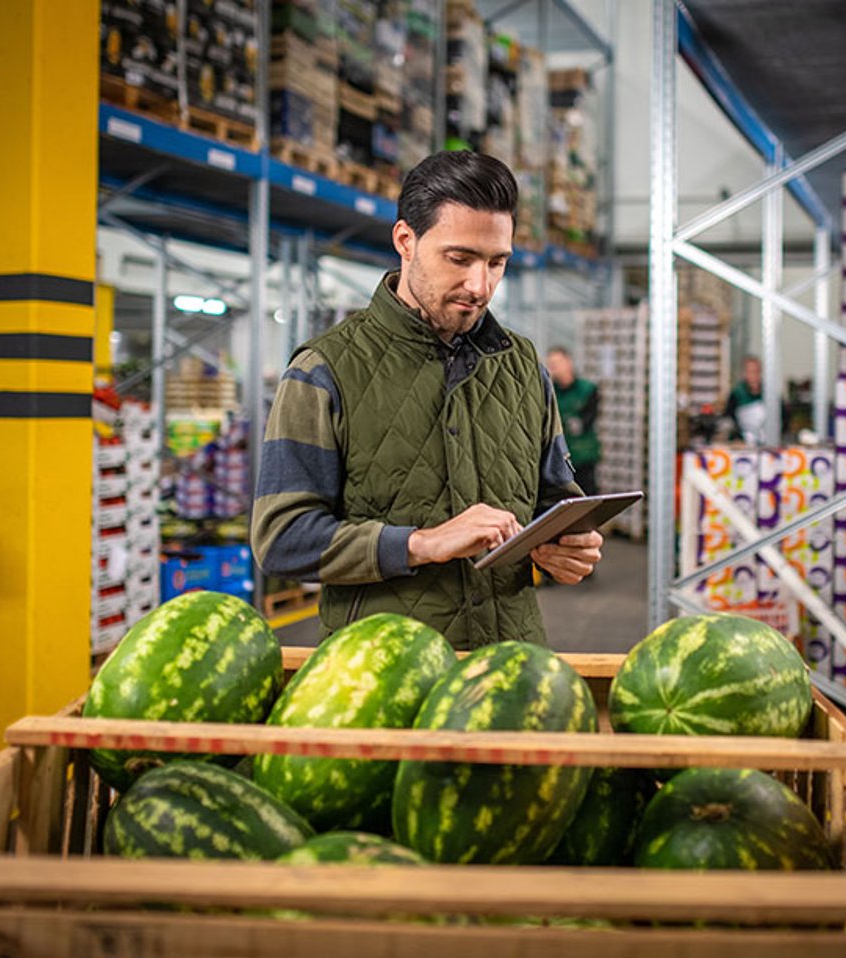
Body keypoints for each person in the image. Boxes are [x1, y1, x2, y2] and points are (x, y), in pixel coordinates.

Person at [250, 150, 603, 650]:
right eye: (459, 259)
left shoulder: (523, 366)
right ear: (405, 241)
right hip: (381, 673)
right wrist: (420, 543)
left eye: (496, 263)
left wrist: (566, 542)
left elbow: (554, 497)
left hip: (510, 666)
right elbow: (282, 538)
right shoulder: (323, 372)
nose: (479, 286)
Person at [545, 346, 600, 496]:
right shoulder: (549, 390)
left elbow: (586, 421)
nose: (553, 368)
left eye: (557, 363)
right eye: (551, 364)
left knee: (586, 495)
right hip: (558, 457)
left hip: (582, 456)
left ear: (568, 362)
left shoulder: (586, 389)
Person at [722, 354, 788, 444]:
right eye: (750, 372)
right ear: (744, 373)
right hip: (744, 444)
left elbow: (784, 418)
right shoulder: (736, 395)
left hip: (769, 443)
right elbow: (729, 420)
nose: (754, 376)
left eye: (756, 371)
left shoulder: (771, 395)